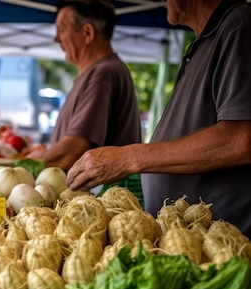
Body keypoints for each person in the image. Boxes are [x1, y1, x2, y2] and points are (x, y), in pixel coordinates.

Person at [66, 0, 251, 235]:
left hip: (222, 243)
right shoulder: (203, 40)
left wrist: (129, 158)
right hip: (184, 235)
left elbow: (242, 138)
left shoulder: (239, 26)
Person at [25, 0, 141, 171]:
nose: (56, 38)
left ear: (87, 32)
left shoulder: (104, 73)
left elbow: (74, 150)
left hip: (98, 196)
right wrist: (47, 152)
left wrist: (22, 168)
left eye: (62, 29)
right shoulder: (98, 72)